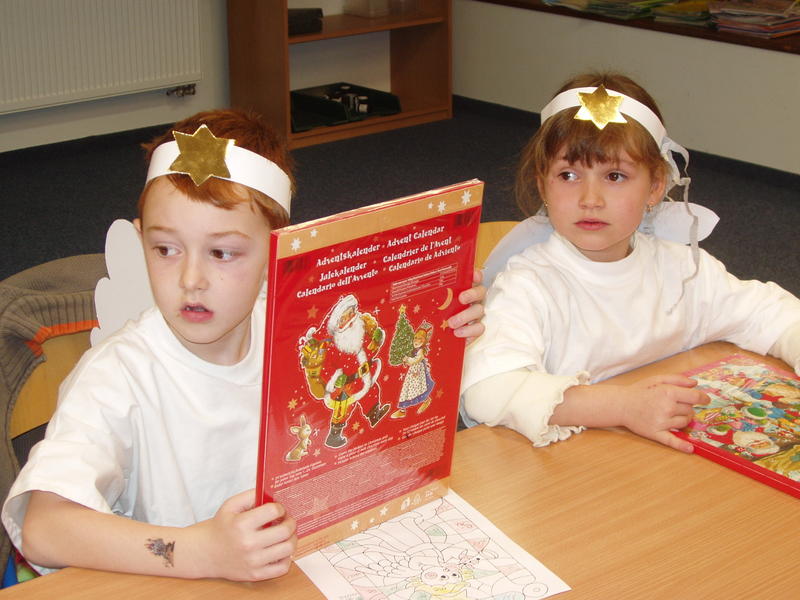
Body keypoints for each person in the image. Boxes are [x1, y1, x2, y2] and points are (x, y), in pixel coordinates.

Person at [2, 109, 485, 582]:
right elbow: (44, 528)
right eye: (165, 249)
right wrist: (195, 552)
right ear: (139, 238)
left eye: (222, 253)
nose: (191, 279)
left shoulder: (299, 337)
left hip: (298, 568)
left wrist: (442, 324)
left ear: (278, 252)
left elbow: (372, 397)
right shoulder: (118, 375)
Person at [461, 72, 800, 454]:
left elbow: (770, 313)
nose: (590, 198)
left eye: (615, 176)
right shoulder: (528, 283)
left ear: (655, 187)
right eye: (568, 175)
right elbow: (488, 389)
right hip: (570, 468)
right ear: (543, 186)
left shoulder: (682, 270)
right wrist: (623, 407)